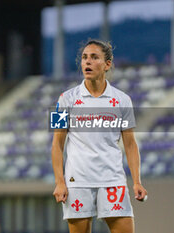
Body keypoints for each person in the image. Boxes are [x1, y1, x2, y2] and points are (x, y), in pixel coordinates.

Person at [51, 39, 147, 233]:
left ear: (107, 64)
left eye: (95, 57)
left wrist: (137, 181)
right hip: (77, 180)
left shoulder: (122, 100)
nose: (88, 62)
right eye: (85, 57)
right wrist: (60, 182)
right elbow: (57, 145)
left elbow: (130, 144)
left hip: (112, 179)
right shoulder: (65, 99)